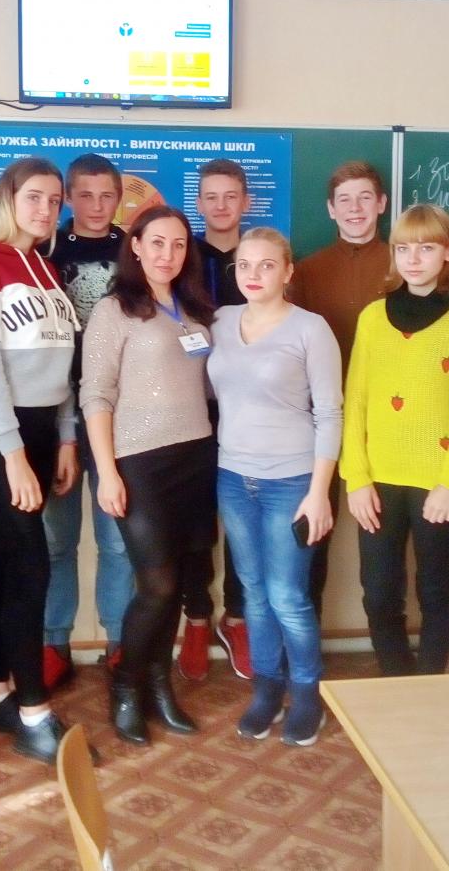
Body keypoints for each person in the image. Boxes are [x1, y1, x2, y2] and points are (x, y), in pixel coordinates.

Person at [0, 157, 91, 765]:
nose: (45, 209)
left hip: (39, 432)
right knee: (31, 566)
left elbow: (62, 369)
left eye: (54, 200)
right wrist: (12, 456)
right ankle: (33, 713)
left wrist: (65, 438)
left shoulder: (47, 269)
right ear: (7, 198)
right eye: (34, 196)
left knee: (5, 561)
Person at [81, 205, 217, 747]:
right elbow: (96, 394)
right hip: (139, 462)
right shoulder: (114, 310)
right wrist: (107, 473)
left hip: (196, 458)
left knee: (179, 584)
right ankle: (125, 686)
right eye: (157, 242)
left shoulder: (194, 309)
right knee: (155, 586)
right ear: (135, 245)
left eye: (178, 244)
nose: (168, 254)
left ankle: (159, 687)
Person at [208, 227, 342, 747]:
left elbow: (330, 414)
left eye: (267, 265)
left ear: (287, 271)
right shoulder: (219, 321)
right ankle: (267, 688)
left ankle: (306, 695)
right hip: (233, 478)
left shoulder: (311, 329)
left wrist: (318, 491)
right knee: (254, 594)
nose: (254, 275)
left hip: (292, 480)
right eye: (244, 265)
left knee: (288, 596)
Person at [341, 205, 449, 677]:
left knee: (434, 590)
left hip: (440, 482)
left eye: (426, 248)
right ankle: (396, 680)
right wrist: (357, 478)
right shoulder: (373, 318)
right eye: (403, 249)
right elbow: (355, 401)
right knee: (379, 592)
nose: (413, 259)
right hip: (378, 480)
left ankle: (429, 687)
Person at [39, 153, 135, 690]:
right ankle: (53, 643)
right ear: (68, 199)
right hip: (56, 411)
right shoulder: (44, 252)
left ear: (119, 198)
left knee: (117, 539)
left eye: (107, 196)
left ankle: (120, 643)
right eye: (85, 195)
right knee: (57, 541)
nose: (97, 206)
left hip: (121, 413)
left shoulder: (135, 250)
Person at [289, 160, 391, 623]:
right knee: (312, 535)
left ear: (381, 204)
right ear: (330, 209)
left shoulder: (405, 264)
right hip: (318, 424)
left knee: (382, 544)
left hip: (384, 423)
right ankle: (303, 643)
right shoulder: (307, 271)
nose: (355, 208)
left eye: (365, 198)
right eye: (344, 200)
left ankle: (387, 643)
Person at [177, 157, 253, 682]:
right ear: (199, 204)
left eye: (231, 196)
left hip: (250, 410)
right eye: (211, 197)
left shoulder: (262, 256)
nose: (221, 206)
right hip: (192, 407)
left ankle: (238, 617)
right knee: (196, 521)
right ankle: (198, 615)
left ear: (245, 201)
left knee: (244, 521)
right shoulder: (183, 259)